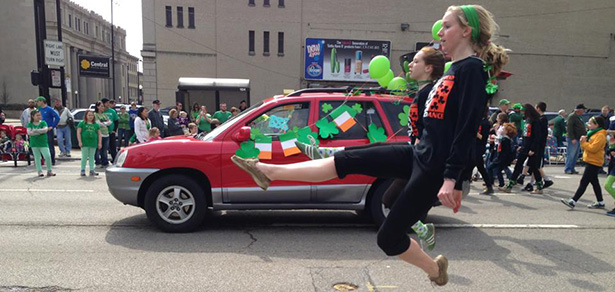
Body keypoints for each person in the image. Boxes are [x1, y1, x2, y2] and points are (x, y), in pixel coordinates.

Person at [231, 4, 509, 286]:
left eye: (447, 26)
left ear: (466, 30)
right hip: (418, 154)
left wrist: (453, 178)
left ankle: (435, 270)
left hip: (433, 168)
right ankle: (269, 172)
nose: (440, 33)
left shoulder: (471, 70)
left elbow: (467, 127)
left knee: (388, 238)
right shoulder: (454, 70)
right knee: (348, 159)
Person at [561, 116, 608, 209]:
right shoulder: (593, 133)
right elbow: (587, 147)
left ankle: (573, 201)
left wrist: (583, 142)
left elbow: (593, 148)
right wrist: (584, 142)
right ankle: (600, 201)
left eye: (590, 123)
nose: (588, 125)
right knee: (594, 182)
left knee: (584, 182)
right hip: (590, 160)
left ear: (597, 125)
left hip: (594, 161)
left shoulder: (600, 135)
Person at [485, 123, 517, 189]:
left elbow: (504, 150)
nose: (501, 130)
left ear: (507, 131)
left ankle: (490, 182)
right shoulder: (505, 139)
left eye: (503, 129)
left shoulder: (505, 140)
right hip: (501, 158)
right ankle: (501, 184)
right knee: (498, 171)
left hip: (501, 158)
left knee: (489, 168)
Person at [26, 109, 55, 177]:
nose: (39, 117)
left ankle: (49, 170)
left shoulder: (43, 123)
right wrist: (39, 132)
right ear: (33, 116)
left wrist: (35, 131)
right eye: (37, 115)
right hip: (34, 143)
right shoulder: (30, 124)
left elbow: (45, 130)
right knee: (37, 158)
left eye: (39, 115)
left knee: (47, 156)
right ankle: (39, 171)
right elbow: (29, 132)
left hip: (43, 143)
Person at [34, 96, 60, 166]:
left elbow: (57, 117)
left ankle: (52, 160)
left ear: (42, 101)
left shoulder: (49, 109)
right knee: (41, 144)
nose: (37, 103)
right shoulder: (39, 109)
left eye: (38, 101)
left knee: (50, 144)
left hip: (48, 129)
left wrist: (52, 126)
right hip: (41, 129)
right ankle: (43, 159)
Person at [77, 110, 102, 176]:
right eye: (89, 115)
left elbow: (99, 134)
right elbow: (78, 133)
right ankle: (82, 170)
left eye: (92, 115)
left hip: (93, 143)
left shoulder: (96, 125)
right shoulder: (82, 123)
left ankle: (92, 170)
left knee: (92, 157)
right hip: (85, 143)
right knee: (84, 157)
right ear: (86, 116)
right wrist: (80, 141)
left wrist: (99, 143)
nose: (91, 117)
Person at [565, 104, 588, 174]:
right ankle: (568, 168)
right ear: (579, 110)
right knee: (571, 154)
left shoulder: (578, 117)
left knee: (575, 155)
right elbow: (570, 128)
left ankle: (572, 168)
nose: (584, 111)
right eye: (583, 109)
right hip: (573, 138)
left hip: (578, 138)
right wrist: (572, 138)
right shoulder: (572, 116)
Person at [94, 101, 111, 168]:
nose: (103, 108)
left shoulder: (104, 115)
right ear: (97, 107)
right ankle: (98, 162)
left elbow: (109, 122)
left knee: (105, 149)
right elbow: (98, 123)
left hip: (106, 133)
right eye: (101, 106)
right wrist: (105, 123)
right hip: (99, 134)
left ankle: (105, 162)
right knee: (98, 149)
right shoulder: (95, 114)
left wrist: (104, 123)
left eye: (103, 106)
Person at [605, 134, 615, 216]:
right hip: (613, 166)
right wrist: (611, 145)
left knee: (607, 185)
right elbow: (609, 151)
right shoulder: (612, 138)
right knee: (607, 185)